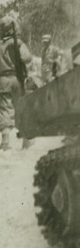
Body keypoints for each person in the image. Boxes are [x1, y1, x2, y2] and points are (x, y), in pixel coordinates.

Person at [0, 15, 32, 150]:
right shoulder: (18, 43)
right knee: (21, 108)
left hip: (3, 80)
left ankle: (5, 142)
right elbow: (27, 58)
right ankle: (26, 140)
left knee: (5, 109)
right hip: (17, 78)